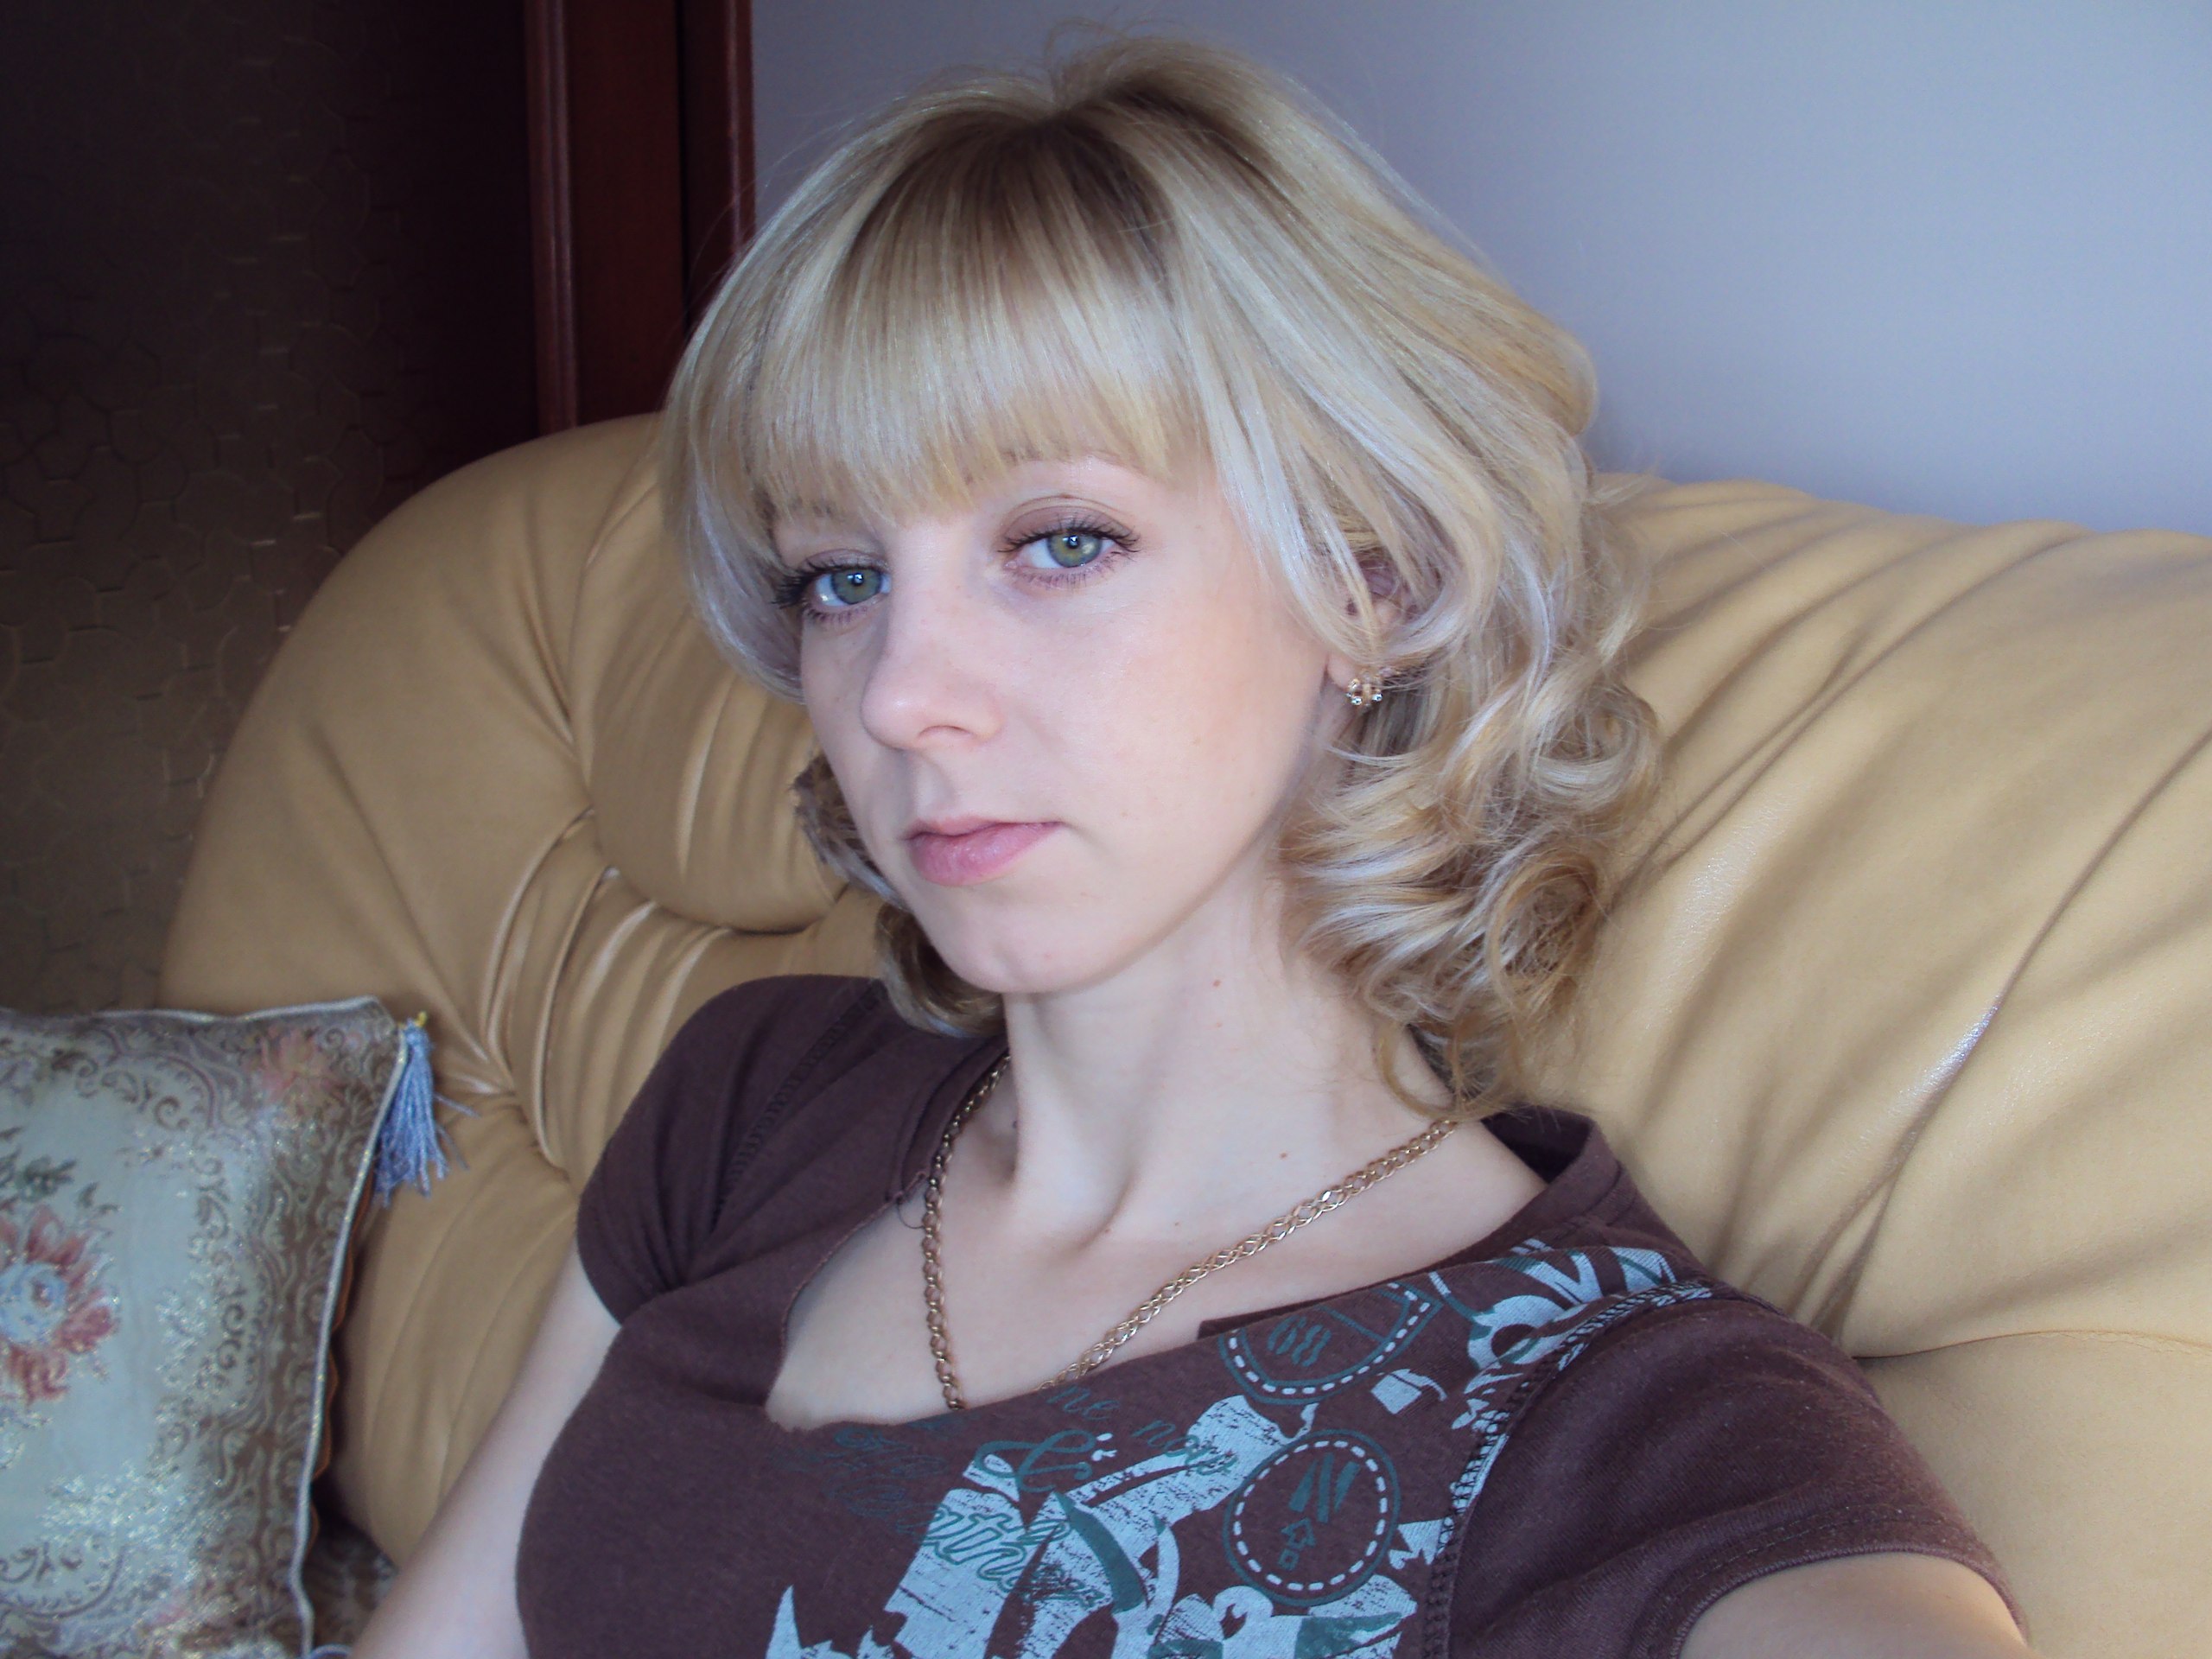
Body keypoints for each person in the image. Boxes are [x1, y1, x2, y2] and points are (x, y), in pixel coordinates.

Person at [353, 34, 2033, 1659]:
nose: (901, 693)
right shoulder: (751, 1103)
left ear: (1368, 582)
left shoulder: (1624, 1423)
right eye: (841, 579)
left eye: (1060, 542)